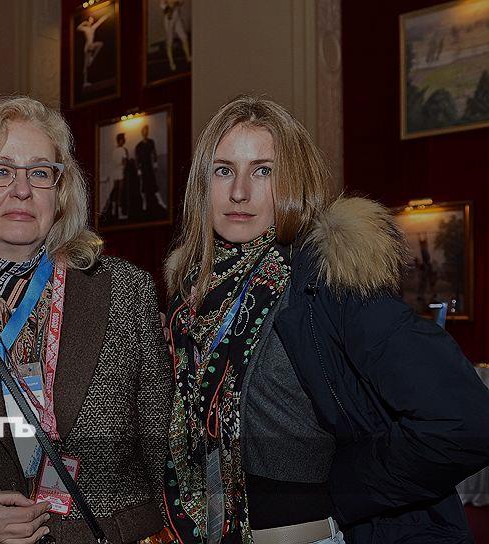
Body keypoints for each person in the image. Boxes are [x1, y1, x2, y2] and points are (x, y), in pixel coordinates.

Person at [161, 94, 489, 543]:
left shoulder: (330, 282)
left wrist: (344, 488)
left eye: (263, 171)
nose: (239, 192)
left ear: (294, 180)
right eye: (223, 170)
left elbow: (466, 421)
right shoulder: (193, 298)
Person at [0, 96, 171, 543]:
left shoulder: (125, 290)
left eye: (40, 173)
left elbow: (163, 448)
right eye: (0, 171)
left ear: (60, 194)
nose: (22, 190)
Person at [134, 125, 168, 214]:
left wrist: (155, 163)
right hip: (143, 168)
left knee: (153, 183)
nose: (145, 132)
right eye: (144, 131)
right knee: (143, 186)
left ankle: (160, 201)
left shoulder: (150, 142)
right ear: (142, 132)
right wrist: (138, 169)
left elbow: (154, 153)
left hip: (149, 167)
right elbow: (137, 158)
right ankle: (144, 203)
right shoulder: (139, 146)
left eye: (147, 131)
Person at [76, 14, 109, 87]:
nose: (92, 21)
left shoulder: (93, 28)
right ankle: (85, 82)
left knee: (100, 44)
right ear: (88, 20)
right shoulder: (85, 28)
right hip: (88, 46)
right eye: (90, 19)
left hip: (91, 46)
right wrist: (84, 23)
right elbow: (78, 28)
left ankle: (92, 58)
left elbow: (100, 21)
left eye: (92, 20)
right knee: (85, 66)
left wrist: (106, 15)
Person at [160, 0, 191, 71]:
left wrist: (177, 2)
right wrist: (170, 5)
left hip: (177, 18)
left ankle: (188, 56)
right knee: (169, 42)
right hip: (169, 20)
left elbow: (181, 3)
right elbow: (164, 9)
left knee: (184, 37)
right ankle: (171, 62)